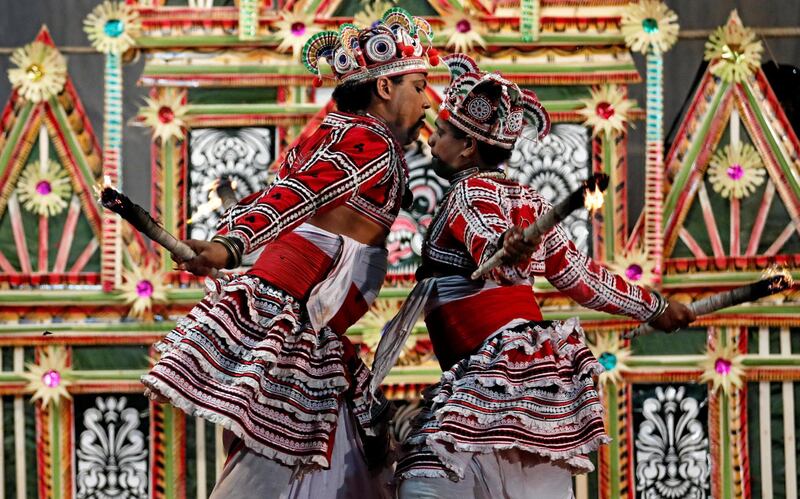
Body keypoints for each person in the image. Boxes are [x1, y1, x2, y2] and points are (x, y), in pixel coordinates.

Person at [141, 9, 437, 498]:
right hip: (295, 321)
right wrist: (226, 247)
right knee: (266, 477)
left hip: (310, 325)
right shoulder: (367, 140)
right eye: (420, 85)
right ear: (385, 88)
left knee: (329, 464)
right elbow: (296, 193)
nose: (428, 100)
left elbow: (283, 192)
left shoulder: (348, 134)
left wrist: (228, 244)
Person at [388, 54, 695, 498]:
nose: (433, 141)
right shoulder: (526, 197)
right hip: (528, 382)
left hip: (491, 378)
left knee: (420, 483)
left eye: (442, 133)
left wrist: (504, 249)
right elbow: (582, 279)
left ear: (468, 147)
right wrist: (657, 307)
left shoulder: (470, 191)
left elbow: (489, 244)